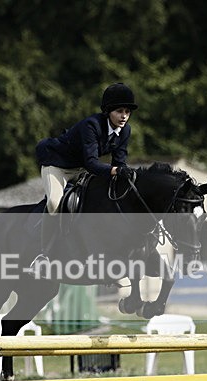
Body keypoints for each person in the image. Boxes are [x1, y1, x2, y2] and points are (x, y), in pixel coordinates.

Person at [31, 82, 138, 268]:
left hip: (81, 169)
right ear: (108, 111)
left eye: (127, 112)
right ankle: (43, 255)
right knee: (55, 202)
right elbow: (92, 162)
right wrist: (115, 171)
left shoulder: (125, 131)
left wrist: (124, 173)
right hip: (57, 164)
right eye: (119, 111)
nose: (124, 116)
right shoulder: (92, 125)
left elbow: (119, 163)